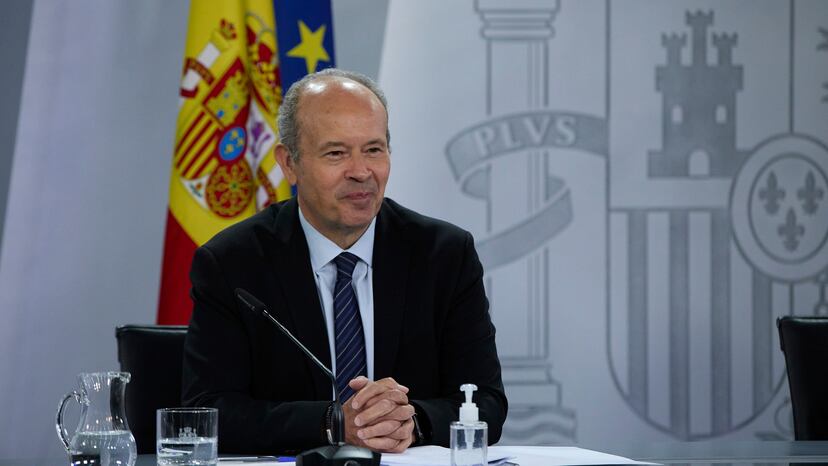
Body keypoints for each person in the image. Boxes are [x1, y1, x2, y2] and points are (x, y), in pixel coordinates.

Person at [182, 68, 507, 454]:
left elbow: (485, 401)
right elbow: (208, 410)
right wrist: (332, 423)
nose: (361, 172)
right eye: (336, 153)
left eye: (374, 149)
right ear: (289, 164)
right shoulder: (233, 263)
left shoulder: (444, 254)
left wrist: (413, 422)